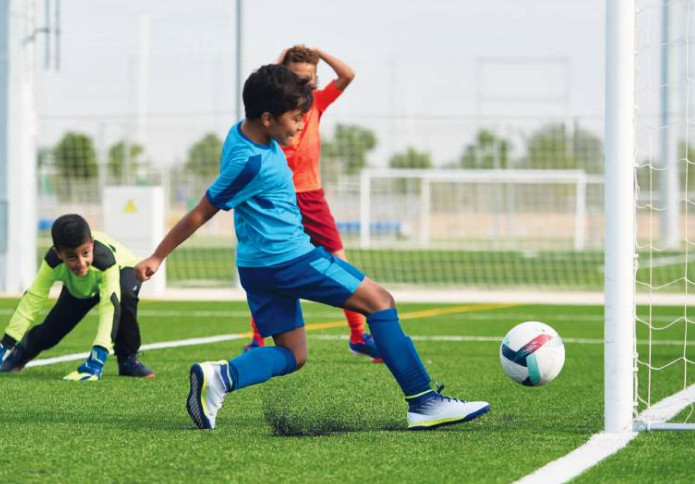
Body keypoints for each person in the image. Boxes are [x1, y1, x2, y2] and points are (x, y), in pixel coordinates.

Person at [135, 64, 489, 430]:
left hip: (257, 267)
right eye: (296, 118)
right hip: (290, 260)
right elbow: (201, 212)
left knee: (293, 354)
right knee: (380, 302)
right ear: (268, 118)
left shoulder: (240, 134)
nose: (302, 125)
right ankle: (424, 401)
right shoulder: (250, 162)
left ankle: (222, 377)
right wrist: (158, 255)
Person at [242, 45, 381, 363]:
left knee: (339, 260)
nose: (303, 85)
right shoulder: (271, 108)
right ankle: (256, 340)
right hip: (276, 197)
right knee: (268, 262)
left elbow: (347, 74)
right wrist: (279, 65)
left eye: (308, 79)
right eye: (295, 78)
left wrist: (319, 52)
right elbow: (265, 81)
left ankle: (359, 336)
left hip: (311, 195)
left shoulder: (317, 102)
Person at [0, 214, 155, 380]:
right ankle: (20, 353)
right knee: (54, 327)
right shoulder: (52, 263)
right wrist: (6, 343)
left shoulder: (105, 260)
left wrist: (98, 356)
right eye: (71, 257)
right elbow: (32, 300)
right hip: (82, 283)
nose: (81, 263)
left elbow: (110, 306)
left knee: (125, 297)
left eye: (86, 253)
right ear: (58, 253)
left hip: (122, 270)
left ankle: (127, 359)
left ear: (92, 245)